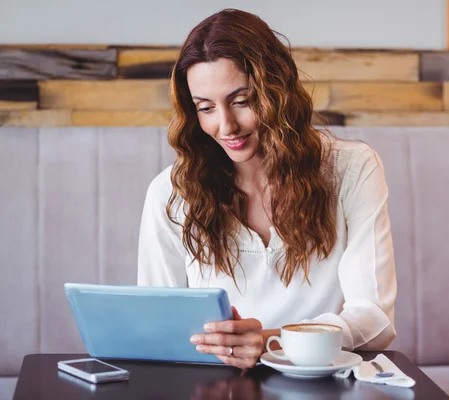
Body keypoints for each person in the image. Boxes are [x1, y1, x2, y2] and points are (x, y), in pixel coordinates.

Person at [138, 8, 397, 369]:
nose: (225, 125)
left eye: (242, 101)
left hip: (317, 382)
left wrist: (274, 341)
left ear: (278, 90)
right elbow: (157, 326)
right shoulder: (171, 192)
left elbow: (375, 319)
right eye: (206, 107)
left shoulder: (351, 169)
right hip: (212, 387)